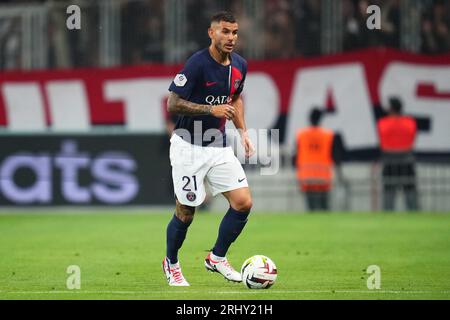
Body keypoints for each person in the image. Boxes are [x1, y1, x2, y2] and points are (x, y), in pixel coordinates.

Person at [162, 11, 255, 286]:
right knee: (186, 211)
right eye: (225, 31)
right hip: (187, 146)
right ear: (211, 33)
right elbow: (173, 104)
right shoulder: (197, 64)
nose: (231, 37)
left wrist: (243, 132)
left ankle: (217, 257)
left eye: (235, 32)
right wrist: (208, 109)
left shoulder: (240, 65)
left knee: (243, 203)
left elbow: (235, 99)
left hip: (218, 145)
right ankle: (172, 262)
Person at [294, 108, 343, 211]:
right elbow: (336, 156)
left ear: (309, 118)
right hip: (323, 176)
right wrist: (340, 174)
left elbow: (296, 156)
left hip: (306, 176)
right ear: (321, 119)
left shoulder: (301, 135)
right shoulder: (328, 135)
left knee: (311, 208)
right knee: (324, 206)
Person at [377, 97, 419, 211]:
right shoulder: (410, 122)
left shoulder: (383, 123)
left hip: (389, 161)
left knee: (389, 195)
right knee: (410, 194)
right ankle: (415, 216)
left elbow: (382, 139)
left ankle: (387, 218)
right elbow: (413, 138)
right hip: (407, 161)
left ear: (390, 108)